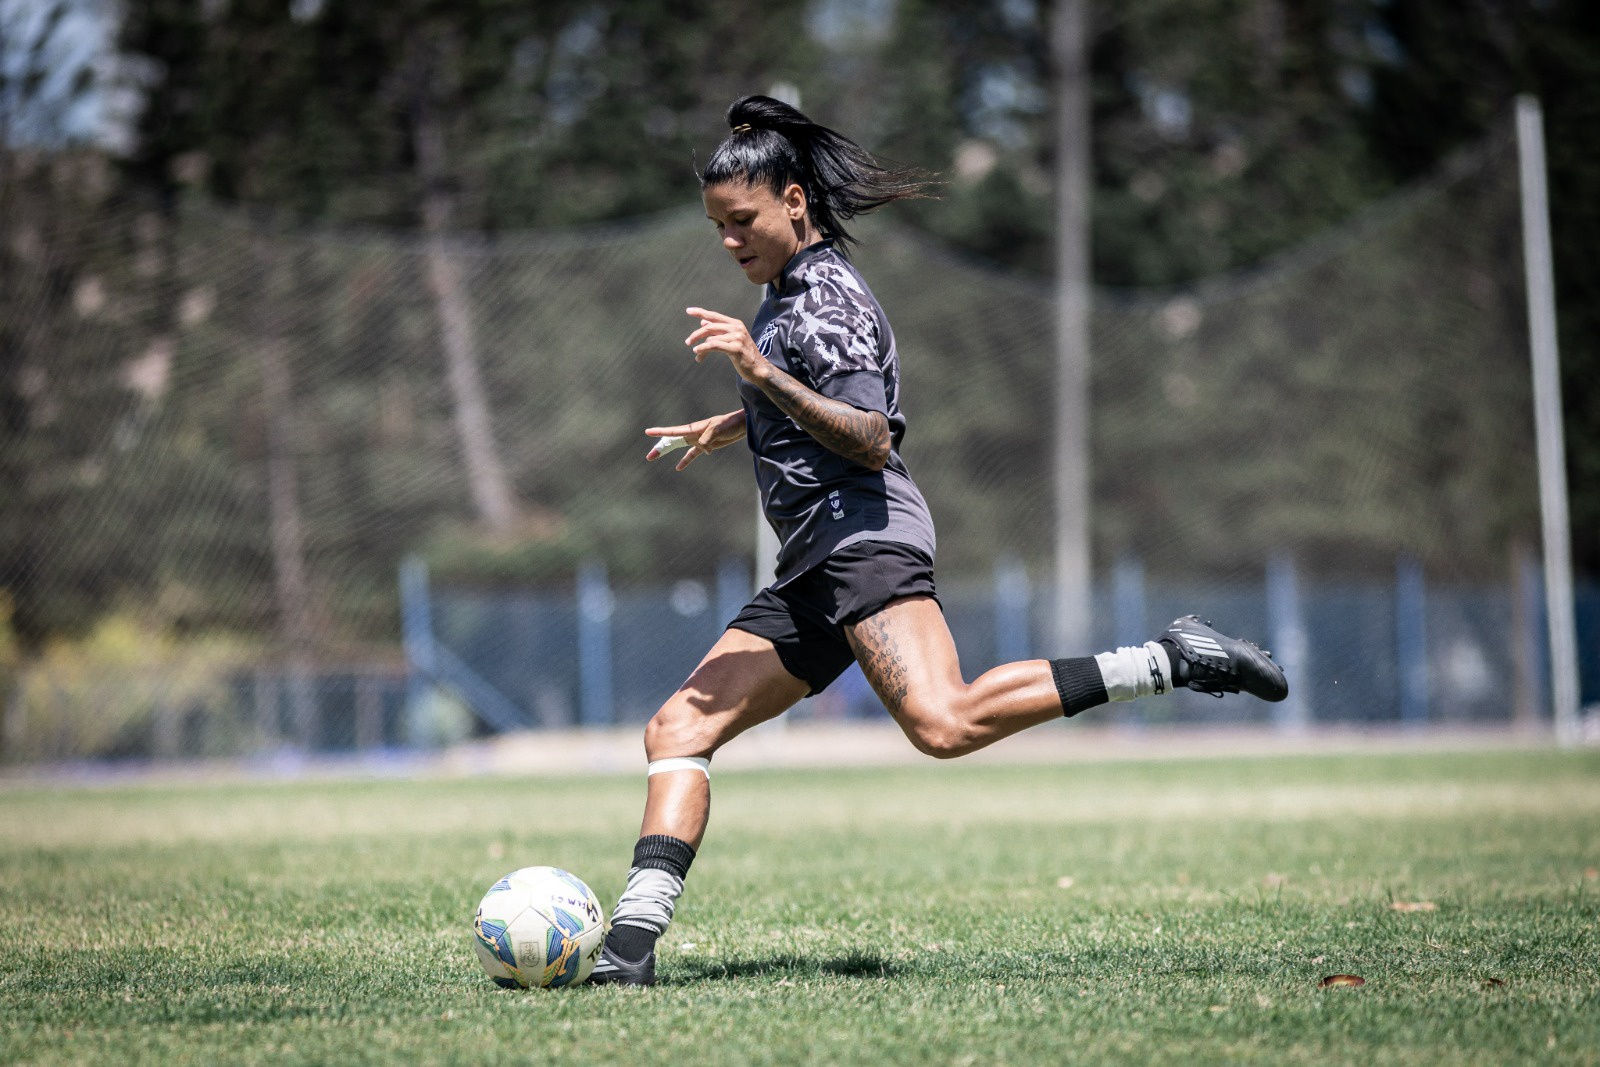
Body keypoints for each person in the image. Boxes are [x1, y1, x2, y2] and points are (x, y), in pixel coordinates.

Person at [587, 95, 1288, 986]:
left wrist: (757, 372)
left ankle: (1171, 658)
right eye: (717, 225)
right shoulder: (781, 298)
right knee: (679, 725)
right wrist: (735, 420)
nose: (729, 240)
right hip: (814, 559)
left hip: (866, 538)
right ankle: (626, 954)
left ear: (794, 200)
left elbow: (873, 435)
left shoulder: (826, 298)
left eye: (742, 220)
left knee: (943, 721)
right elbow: (809, 397)